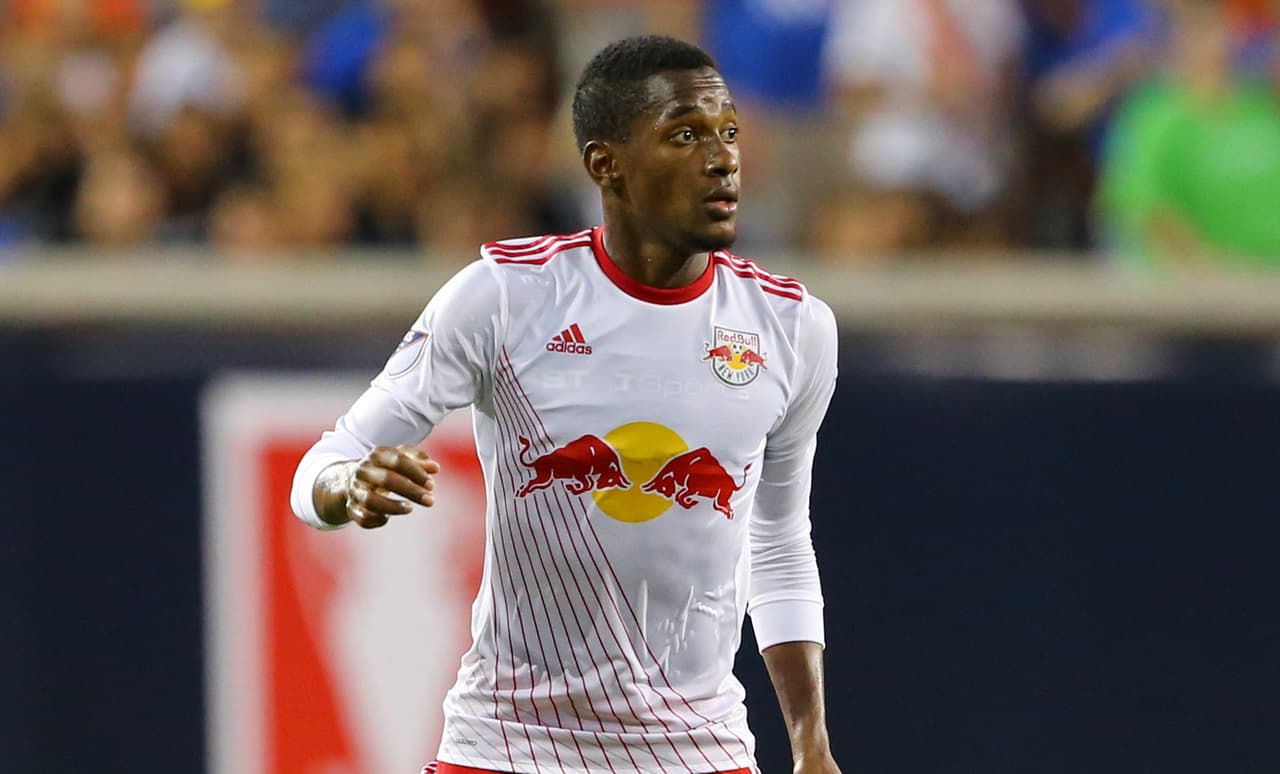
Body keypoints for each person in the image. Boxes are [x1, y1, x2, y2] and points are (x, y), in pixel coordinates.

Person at [290, 35, 841, 774]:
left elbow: (777, 543)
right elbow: (325, 463)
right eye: (685, 133)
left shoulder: (792, 327)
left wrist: (810, 746)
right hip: (510, 744)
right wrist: (345, 488)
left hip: (696, 752)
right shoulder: (506, 298)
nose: (722, 158)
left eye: (729, 131)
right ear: (604, 164)